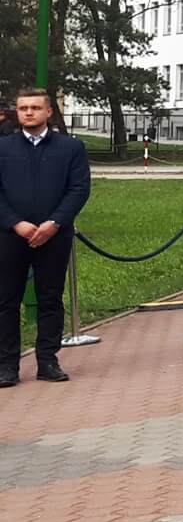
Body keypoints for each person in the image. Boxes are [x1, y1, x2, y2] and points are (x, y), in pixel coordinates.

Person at [0, 86, 92, 387]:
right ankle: (7, 366)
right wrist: (16, 223)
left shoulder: (70, 149)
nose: (28, 112)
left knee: (50, 298)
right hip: (10, 236)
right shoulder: (3, 148)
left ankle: (48, 361)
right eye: (23, 107)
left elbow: (78, 189)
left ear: (48, 112)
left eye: (35, 108)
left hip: (54, 236)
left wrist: (55, 223)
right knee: (6, 301)